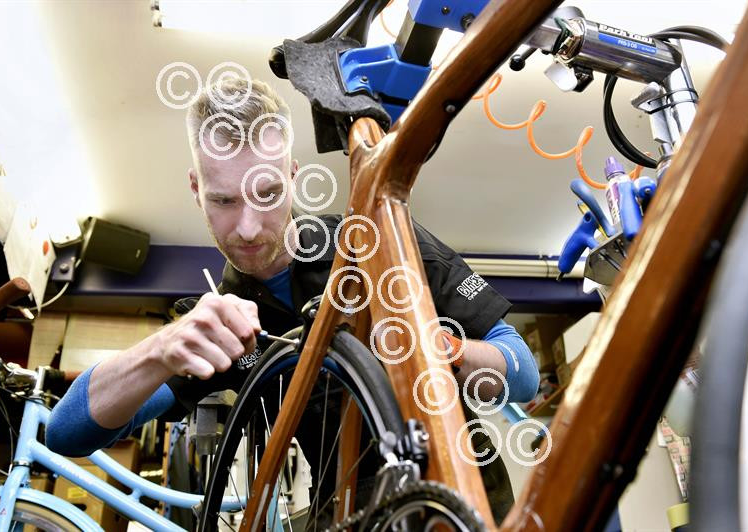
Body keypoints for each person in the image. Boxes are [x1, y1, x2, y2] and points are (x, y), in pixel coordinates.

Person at [46, 75, 539, 524]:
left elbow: (523, 371)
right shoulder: (213, 325)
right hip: (349, 512)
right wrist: (161, 350)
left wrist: (441, 350)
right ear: (196, 190)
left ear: (294, 177)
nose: (248, 228)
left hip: (461, 497)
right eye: (223, 200)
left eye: (267, 193)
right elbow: (67, 434)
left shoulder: (379, 242)